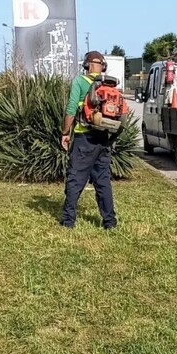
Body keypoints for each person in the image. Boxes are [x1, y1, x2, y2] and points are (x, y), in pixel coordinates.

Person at [60, 51, 117, 230]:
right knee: (103, 181)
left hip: (84, 138)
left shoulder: (80, 82)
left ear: (87, 65)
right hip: (103, 139)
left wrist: (65, 132)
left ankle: (68, 221)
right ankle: (110, 222)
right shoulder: (109, 84)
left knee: (75, 179)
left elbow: (71, 108)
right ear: (103, 66)